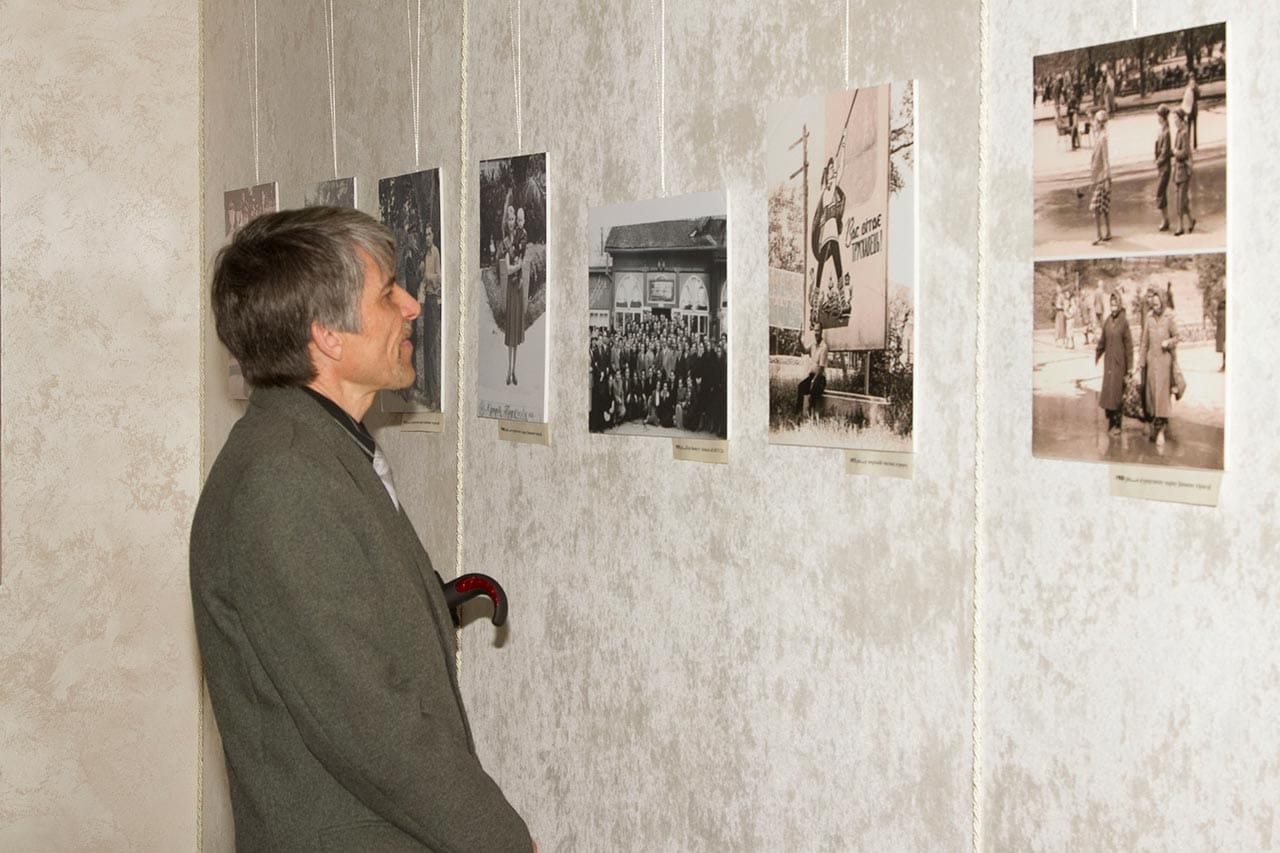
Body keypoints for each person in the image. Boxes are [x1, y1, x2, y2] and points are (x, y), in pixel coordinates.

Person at [191, 207, 535, 851]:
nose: (411, 306)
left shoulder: (314, 447)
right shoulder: (285, 476)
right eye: (387, 293)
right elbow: (370, 720)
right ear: (327, 335)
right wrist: (502, 841)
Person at [1138, 288, 1178, 447]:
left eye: (1157, 304)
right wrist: (1140, 363)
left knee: (1162, 399)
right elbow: (1144, 342)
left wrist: (1168, 342)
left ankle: (1161, 431)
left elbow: (1177, 337)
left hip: (1164, 363)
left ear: (1162, 302)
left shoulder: (1169, 317)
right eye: (1153, 304)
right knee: (1151, 397)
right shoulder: (1149, 318)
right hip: (1151, 363)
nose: (1155, 307)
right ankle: (1155, 426)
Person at [810, 135, 847, 294]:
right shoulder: (825, 190)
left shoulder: (833, 187)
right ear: (827, 172)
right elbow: (829, 191)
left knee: (837, 256)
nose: (834, 171)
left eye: (833, 169)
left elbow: (842, 167)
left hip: (833, 228)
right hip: (826, 230)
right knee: (822, 259)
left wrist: (843, 145)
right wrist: (832, 170)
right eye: (831, 169)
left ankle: (841, 289)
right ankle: (817, 290)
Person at [1095, 291, 1132, 435]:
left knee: (1117, 394)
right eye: (1111, 305)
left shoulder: (1124, 322)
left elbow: (1129, 346)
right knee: (1108, 393)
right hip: (1109, 362)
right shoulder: (1108, 321)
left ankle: (1117, 424)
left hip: (1119, 363)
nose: (1113, 308)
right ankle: (1111, 421)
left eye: (1115, 305)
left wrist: (1130, 367)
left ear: (1120, 305)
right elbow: (1103, 340)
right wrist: (1098, 353)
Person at [502, 205, 529, 385]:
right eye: (510, 219)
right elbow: (508, 269)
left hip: (518, 288)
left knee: (516, 332)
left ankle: (514, 370)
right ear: (507, 221)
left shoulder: (521, 236)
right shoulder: (506, 242)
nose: (512, 222)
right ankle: (508, 369)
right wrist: (519, 266)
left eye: (514, 219)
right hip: (511, 289)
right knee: (510, 330)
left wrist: (521, 268)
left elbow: (523, 257)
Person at [1089, 110, 1112, 245]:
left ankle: (1099, 234)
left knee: (1096, 207)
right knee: (1104, 207)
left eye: (1095, 122)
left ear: (1099, 123)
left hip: (1103, 177)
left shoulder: (1103, 138)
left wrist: (1107, 179)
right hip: (1100, 177)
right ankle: (1107, 232)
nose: (1094, 124)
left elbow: (1105, 159)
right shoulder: (1100, 136)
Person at [796, 325, 829, 418]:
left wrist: (813, 381)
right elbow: (804, 351)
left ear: (821, 332)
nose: (816, 333)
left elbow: (821, 368)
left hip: (820, 379)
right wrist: (799, 340)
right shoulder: (813, 345)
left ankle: (811, 416)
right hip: (812, 377)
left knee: (814, 390)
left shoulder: (824, 347)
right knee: (801, 387)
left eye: (818, 331)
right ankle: (798, 415)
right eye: (815, 331)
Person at [1172, 108, 1196, 236]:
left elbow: (1185, 153)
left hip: (1183, 171)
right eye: (1174, 119)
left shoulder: (1184, 133)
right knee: (1182, 199)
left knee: (1180, 199)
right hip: (1178, 170)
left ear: (1181, 120)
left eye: (1176, 118)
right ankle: (1191, 221)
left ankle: (1180, 226)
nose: (1174, 121)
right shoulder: (1179, 132)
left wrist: (1176, 152)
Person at [1153, 104, 1173, 232]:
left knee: (1160, 193)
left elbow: (1165, 151)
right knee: (1161, 194)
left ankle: (1165, 220)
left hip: (1165, 167)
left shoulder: (1166, 132)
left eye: (1159, 116)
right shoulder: (1162, 130)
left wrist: (1158, 161)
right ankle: (1165, 220)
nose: (1158, 118)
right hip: (1162, 167)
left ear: (1163, 117)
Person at [1181, 66, 1200, 149]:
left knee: (1194, 126)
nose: (1192, 78)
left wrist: (1194, 90)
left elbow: (1198, 96)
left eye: (1192, 77)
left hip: (1193, 108)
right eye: (1190, 77)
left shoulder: (1195, 87)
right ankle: (1188, 143)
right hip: (1189, 108)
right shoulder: (1188, 87)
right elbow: (1184, 96)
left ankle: (1195, 144)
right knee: (1189, 126)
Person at [1215, 294, 1226, 372]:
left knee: (1225, 350)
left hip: (1224, 334)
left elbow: (1220, 326)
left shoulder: (1221, 313)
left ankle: (1225, 365)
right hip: (1224, 334)